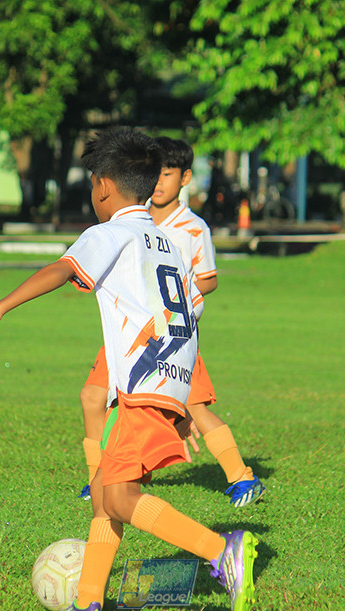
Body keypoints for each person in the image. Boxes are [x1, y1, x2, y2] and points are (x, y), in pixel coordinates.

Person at [0, 127, 259, 611]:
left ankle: (220, 551)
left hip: (141, 386)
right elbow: (182, 314)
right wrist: (179, 399)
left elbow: (61, 269)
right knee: (102, 495)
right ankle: (89, 603)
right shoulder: (166, 240)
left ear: (102, 187)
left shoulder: (110, 233)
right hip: (167, 378)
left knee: (118, 497)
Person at [77, 137, 266, 508]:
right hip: (130, 333)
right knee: (93, 397)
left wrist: (177, 297)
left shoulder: (193, 228)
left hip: (173, 338)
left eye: (168, 174)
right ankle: (97, 480)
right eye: (157, 174)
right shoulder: (135, 218)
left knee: (195, 409)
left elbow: (208, 279)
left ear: (185, 178)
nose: (160, 182)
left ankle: (243, 477)